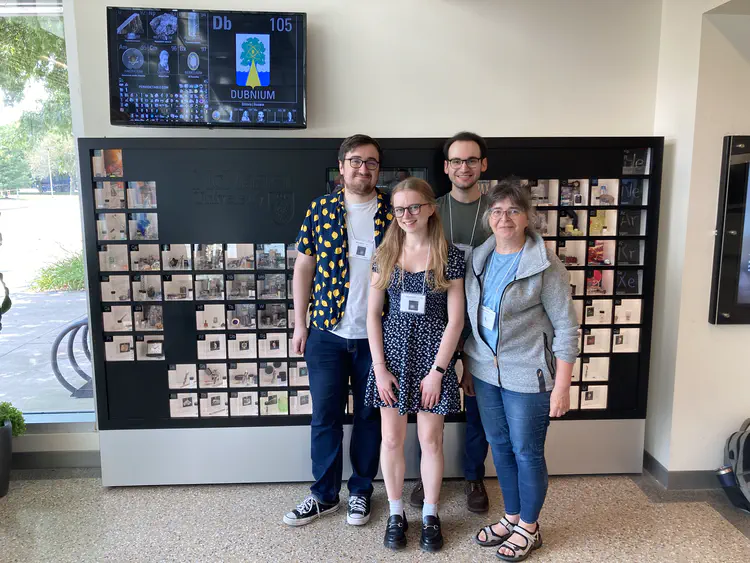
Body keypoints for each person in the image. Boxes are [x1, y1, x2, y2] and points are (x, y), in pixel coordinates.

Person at [464, 177, 578, 561]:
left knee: (527, 452)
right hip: (484, 371)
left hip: (528, 375)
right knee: (500, 448)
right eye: (496, 211)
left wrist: (562, 386)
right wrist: (468, 364)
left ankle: (530, 528)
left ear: (528, 217)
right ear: (488, 218)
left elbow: (565, 327)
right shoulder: (478, 259)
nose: (504, 218)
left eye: (513, 210)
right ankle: (512, 518)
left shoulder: (545, 265)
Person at [283, 134, 392, 528]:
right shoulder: (321, 209)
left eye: (372, 163)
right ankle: (324, 495)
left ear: (379, 169)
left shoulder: (394, 213)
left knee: (369, 417)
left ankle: (361, 492)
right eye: (356, 161)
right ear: (342, 165)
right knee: (325, 416)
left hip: (377, 337)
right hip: (326, 332)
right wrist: (300, 323)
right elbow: (303, 268)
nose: (364, 169)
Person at [365, 178, 465, 552]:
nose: (406, 215)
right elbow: (373, 314)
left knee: (430, 440)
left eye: (414, 207)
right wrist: (379, 367)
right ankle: (395, 513)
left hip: (432, 359)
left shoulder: (450, 256)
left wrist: (439, 371)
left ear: (430, 208)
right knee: (391, 439)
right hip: (390, 359)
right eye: (399, 208)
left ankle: (429, 515)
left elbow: (456, 320)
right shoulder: (384, 254)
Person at [410, 131, 493, 514]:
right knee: (429, 402)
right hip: (433, 323)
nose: (464, 167)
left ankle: (474, 475)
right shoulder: (431, 209)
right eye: (457, 161)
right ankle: (429, 480)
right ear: (446, 167)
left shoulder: (498, 211)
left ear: (483, 165)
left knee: (477, 402)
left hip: (483, 325)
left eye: (471, 160)